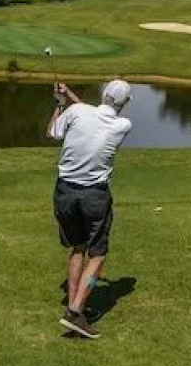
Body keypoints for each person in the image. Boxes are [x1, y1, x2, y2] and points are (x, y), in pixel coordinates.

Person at [47, 78, 134, 340]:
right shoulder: (122, 125)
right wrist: (71, 98)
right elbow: (95, 114)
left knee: (78, 247)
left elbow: (53, 132)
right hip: (94, 197)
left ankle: (75, 306)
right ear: (124, 104)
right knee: (98, 256)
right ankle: (75, 311)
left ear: (104, 94)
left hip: (64, 192)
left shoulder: (77, 112)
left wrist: (61, 103)